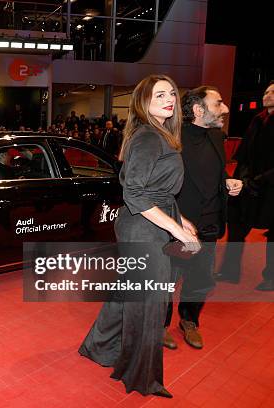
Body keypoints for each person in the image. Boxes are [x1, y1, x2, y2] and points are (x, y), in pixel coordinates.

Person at [79, 74, 200, 398]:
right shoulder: (148, 136)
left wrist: (181, 219)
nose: (169, 99)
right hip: (144, 228)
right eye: (159, 95)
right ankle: (140, 375)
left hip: (150, 221)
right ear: (143, 101)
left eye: (171, 93)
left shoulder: (159, 135)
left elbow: (156, 191)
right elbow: (134, 193)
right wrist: (175, 228)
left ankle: (98, 347)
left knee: (127, 294)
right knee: (148, 304)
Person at [163, 86, 242, 350]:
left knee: (201, 279)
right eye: (218, 103)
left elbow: (214, 175)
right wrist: (176, 224)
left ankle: (189, 321)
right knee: (168, 280)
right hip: (181, 227)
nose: (226, 109)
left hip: (211, 224)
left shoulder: (218, 136)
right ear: (199, 110)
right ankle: (159, 325)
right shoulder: (172, 139)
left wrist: (227, 182)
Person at [216, 81, 274, 291]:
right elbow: (243, 154)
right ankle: (230, 271)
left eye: (271, 92)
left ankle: (271, 277)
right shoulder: (258, 119)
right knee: (236, 225)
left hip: (270, 187)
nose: (266, 94)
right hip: (248, 184)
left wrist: (259, 180)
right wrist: (241, 179)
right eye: (266, 90)